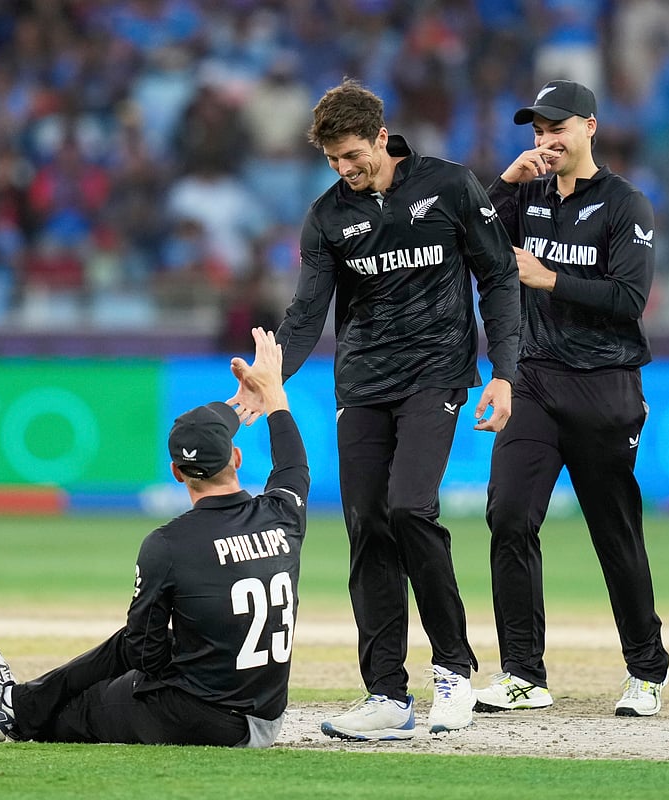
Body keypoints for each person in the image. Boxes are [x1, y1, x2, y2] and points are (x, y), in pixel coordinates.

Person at [236, 78, 520, 740]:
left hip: (437, 375)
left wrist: (505, 373)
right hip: (362, 383)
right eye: (333, 161)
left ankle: (453, 671)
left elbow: (499, 276)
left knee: (408, 508)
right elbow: (307, 313)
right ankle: (386, 694)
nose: (345, 170)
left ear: (380, 135)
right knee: (366, 525)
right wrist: (270, 376)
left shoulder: (448, 186)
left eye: (352, 156)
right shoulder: (327, 215)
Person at [0, 327, 309, 748]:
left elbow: (143, 655)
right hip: (267, 715)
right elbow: (293, 463)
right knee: (164, 644)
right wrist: (271, 395)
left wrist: (151, 673)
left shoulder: (169, 544)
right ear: (236, 457)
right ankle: (20, 701)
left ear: (177, 473)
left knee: (87, 703)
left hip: (208, 721)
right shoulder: (283, 515)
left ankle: (16, 713)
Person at [475, 79, 669, 718]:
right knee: (508, 517)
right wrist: (505, 181)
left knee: (614, 533)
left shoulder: (625, 205)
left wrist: (547, 277)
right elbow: (465, 235)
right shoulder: (525, 195)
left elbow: (628, 301)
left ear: (589, 126)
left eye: (556, 128)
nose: (544, 141)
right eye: (535, 131)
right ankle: (523, 676)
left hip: (604, 386)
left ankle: (646, 671)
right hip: (532, 378)